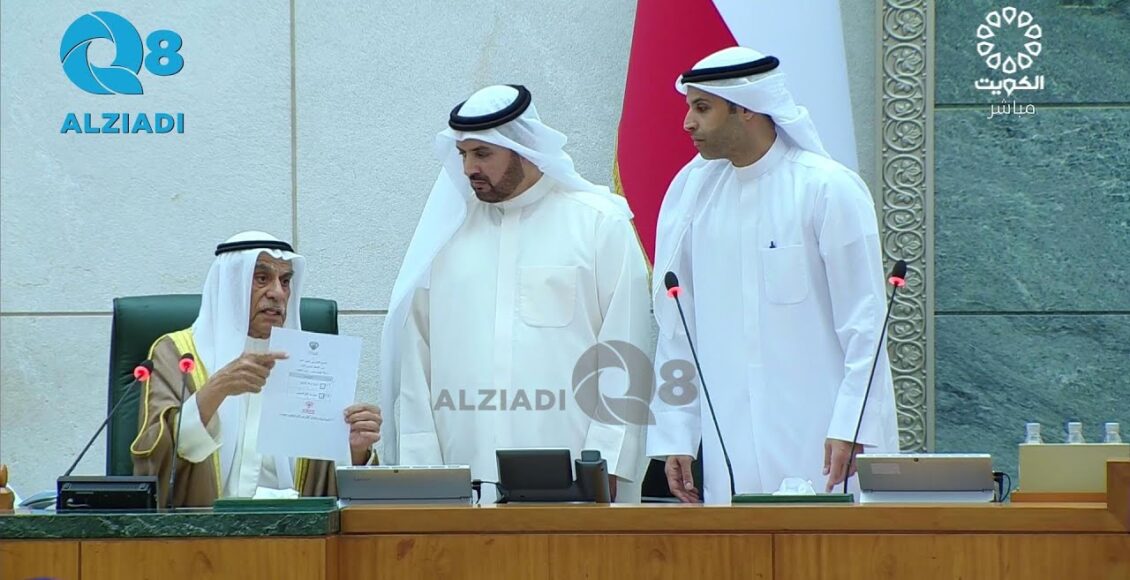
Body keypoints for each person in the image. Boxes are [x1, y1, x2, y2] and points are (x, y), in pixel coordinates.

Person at [647, 47, 900, 504]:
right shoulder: (692, 197)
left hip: (823, 439)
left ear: (747, 108)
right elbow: (677, 327)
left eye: (702, 108)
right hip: (729, 442)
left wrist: (853, 425)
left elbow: (865, 323)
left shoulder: (827, 188)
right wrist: (677, 433)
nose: (687, 123)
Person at [381, 84, 652, 502]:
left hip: (574, 479)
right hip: (462, 479)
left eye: (482, 153)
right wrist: (423, 470)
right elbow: (417, 362)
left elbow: (625, 350)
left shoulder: (598, 225)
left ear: (522, 148)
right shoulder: (445, 239)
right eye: (462, 154)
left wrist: (606, 463)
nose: (469, 167)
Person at [131, 231, 382, 507]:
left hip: (295, 528)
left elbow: (329, 482)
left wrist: (355, 450)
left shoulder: (311, 363)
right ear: (230, 284)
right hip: (206, 526)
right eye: (262, 278)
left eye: (285, 281)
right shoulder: (177, 353)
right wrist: (217, 389)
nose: (277, 293)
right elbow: (157, 455)